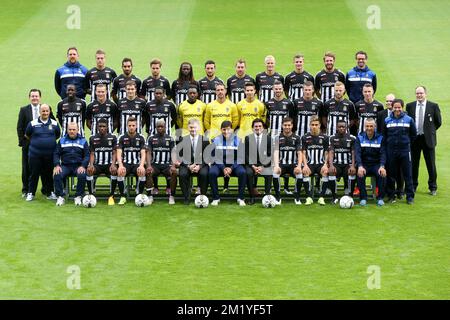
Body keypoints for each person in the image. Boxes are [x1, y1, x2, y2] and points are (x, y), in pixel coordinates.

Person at [17, 89, 56, 198]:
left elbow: (54, 126)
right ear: (29, 97)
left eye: (36, 96)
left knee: (45, 168)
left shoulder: (45, 108)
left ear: (40, 97)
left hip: (44, 146)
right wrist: (23, 143)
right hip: (28, 144)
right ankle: (26, 190)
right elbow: (20, 127)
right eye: (32, 96)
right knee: (27, 168)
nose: (34, 98)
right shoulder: (24, 110)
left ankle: (45, 189)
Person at [406, 86, 442, 195]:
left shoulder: (433, 106)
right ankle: (413, 185)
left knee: (431, 164)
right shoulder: (410, 106)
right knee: (414, 164)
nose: (419, 95)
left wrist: (429, 131)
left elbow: (438, 122)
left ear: (425, 94)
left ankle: (433, 187)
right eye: (417, 93)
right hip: (415, 139)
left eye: (421, 93)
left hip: (428, 140)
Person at [24, 104, 60, 201]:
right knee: (34, 174)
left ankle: (50, 192)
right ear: (39, 112)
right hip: (35, 154)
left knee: (48, 174)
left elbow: (57, 135)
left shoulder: (54, 123)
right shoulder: (32, 123)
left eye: (47, 111)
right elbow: (27, 135)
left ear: (49, 112)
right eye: (43, 111)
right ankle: (31, 193)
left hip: (49, 155)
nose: (45, 113)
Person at [383, 99, 416, 204]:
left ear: (402, 107)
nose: (397, 109)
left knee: (407, 174)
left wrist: (406, 143)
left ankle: (410, 197)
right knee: (391, 174)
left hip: (405, 151)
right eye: (395, 107)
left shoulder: (409, 119)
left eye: (399, 107)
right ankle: (391, 195)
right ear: (392, 108)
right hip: (391, 151)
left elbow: (413, 135)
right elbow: (384, 135)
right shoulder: (387, 120)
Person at [208, 121, 247, 206]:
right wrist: (223, 168)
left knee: (243, 172)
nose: (226, 132)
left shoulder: (238, 140)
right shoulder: (216, 140)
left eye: (228, 129)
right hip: (220, 165)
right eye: (224, 130)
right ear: (221, 130)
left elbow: (240, 158)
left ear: (232, 130)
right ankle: (216, 198)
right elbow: (214, 157)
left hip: (234, 165)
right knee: (212, 173)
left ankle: (241, 198)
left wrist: (231, 168)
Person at [53, 122, 89, 206]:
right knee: (57, 174)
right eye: (70, 129)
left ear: (77, 130)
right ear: (67, 130)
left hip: (78, 166)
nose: (72, 131)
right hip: (66, 166)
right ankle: (60, 196)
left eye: (73, 129)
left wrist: (83, 166)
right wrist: (57, 165)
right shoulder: (62, 140)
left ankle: (78, 196)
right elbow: (56, 154)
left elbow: (87, 155)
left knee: (82, 174)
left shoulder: (83, 141)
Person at [175, 119, 210, 205]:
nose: (193, 129)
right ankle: (186, 197)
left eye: (195, 127)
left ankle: (202, 197)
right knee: (182, 174)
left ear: (198, 128)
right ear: (188, 128)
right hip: (187, 164)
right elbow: (180, 156)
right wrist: (188, 166)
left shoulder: (205, 140)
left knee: (204, 174)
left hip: (201, 164)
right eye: (191, 127)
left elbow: (207, 156)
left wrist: (200, 166)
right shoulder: (182, 140)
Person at [377, 93, 404, 199]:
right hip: (386, 145)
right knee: (388, 168)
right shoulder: (380, 114)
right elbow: (379, 130)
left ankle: (400, 190)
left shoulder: (403, 114)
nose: (388, 103)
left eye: (391, 101)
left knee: (400, 169)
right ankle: (389, 191)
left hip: (399, 146)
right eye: (387, 101)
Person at [354, 118, 387, 206]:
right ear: (364, 127)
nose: (369, 128)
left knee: (382, 174)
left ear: (375, 126)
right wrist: (360, 166)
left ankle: (380, 198)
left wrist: (382, 166)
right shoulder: (360, 137)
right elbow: (357, 154)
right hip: (364, 164)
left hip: (376, 164)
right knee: (360, 174)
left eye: (371, 126)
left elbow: (383, 153)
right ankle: (363, 198)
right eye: (367, 126)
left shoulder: (380, 138)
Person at [86, 118, 118, 206]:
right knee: (89, 171)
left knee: (114, 171)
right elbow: (92, 153)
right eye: (100, 126)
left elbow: (114, 152)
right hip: (98, 165)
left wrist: (113, 164)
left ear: (107, 127)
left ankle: (111, 195)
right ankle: (91, 194)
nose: (102, 128)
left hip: (108, 165)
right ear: (97, 127)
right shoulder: (93, 138)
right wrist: (91, 165)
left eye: (104, 126)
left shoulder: (113, 137)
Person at [146, 120, 178, 204]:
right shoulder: (151, 138)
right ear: (155, 128)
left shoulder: (170, 138)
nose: (160, 128)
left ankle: (172, 196)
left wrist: (173, 165)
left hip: (167, 165)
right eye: (158, 127)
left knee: (174, 172)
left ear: (165, 127)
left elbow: (173, 153)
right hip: (155, 165)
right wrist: (149, 165)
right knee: (148, 172)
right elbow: (148, 152)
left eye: (162, 126)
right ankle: (150, 196)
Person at [116, 117, 147, 205]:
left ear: (136, 126)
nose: (131, 127)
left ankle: (139, 195)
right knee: (121, 172)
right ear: (127, 126)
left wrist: (141, 165)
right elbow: (119, 152)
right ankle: (123, 196)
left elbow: (143, 153)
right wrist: (121, 165)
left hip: (137, 163)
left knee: (141, 172)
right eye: (129, 125)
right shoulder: (122, 137)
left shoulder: (141, 137)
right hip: (126, 163)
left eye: (133, 125)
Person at [272, 117, 303, 205]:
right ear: (282, 126)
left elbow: (299, 153)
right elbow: (276, 152)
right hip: (281, 164)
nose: (287, 127)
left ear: (292, 126)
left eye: (289, 125)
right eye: (285, 125)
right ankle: (278, 197)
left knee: (299, 174)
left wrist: (299, 166)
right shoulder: (277, 138)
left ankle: (297, 197)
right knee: (275, 173)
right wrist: (276, 165)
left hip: (292, 164)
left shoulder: (296, 138)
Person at [301, 116, 330, 205]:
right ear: (309, 125)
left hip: (321, 163)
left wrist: (325, 164)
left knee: (325, 172)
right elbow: (303, 152)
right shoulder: (305, 137)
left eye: (316, 125)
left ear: (319, 126)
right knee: (305, 172)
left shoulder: (325, 137)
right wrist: (305, 165)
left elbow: (327, 152)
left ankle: (321, 197)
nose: (314, 126)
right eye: (312, 125)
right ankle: (309, 197)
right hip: (309, 164)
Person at [327, 120, 357, 203]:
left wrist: (353, 165)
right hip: (337, 164)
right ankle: (334, 196)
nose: (341, 128)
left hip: (348, 164)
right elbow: (331, 152)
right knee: (331, 172)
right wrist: (331, 165)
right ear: (336, 128)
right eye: (339, 127)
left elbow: (353, 152)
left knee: (352, 172)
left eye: (343, 127)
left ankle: (350, 195)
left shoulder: (352, 138)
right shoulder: (332, 138)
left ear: (346, 127)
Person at [245, 118, 272, 205]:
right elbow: (246, 154)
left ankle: (267, 197)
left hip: (264, 165)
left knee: (269, 173)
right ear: (252, 128)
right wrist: (253, 166)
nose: (258, 128)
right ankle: (251, 197)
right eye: (255, 126)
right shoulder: (247, 138)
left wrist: (262, 167)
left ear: (263, 128)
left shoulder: (268, 139)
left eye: (260, 126)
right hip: (251, 165)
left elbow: (269, 155)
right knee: (248, 173)